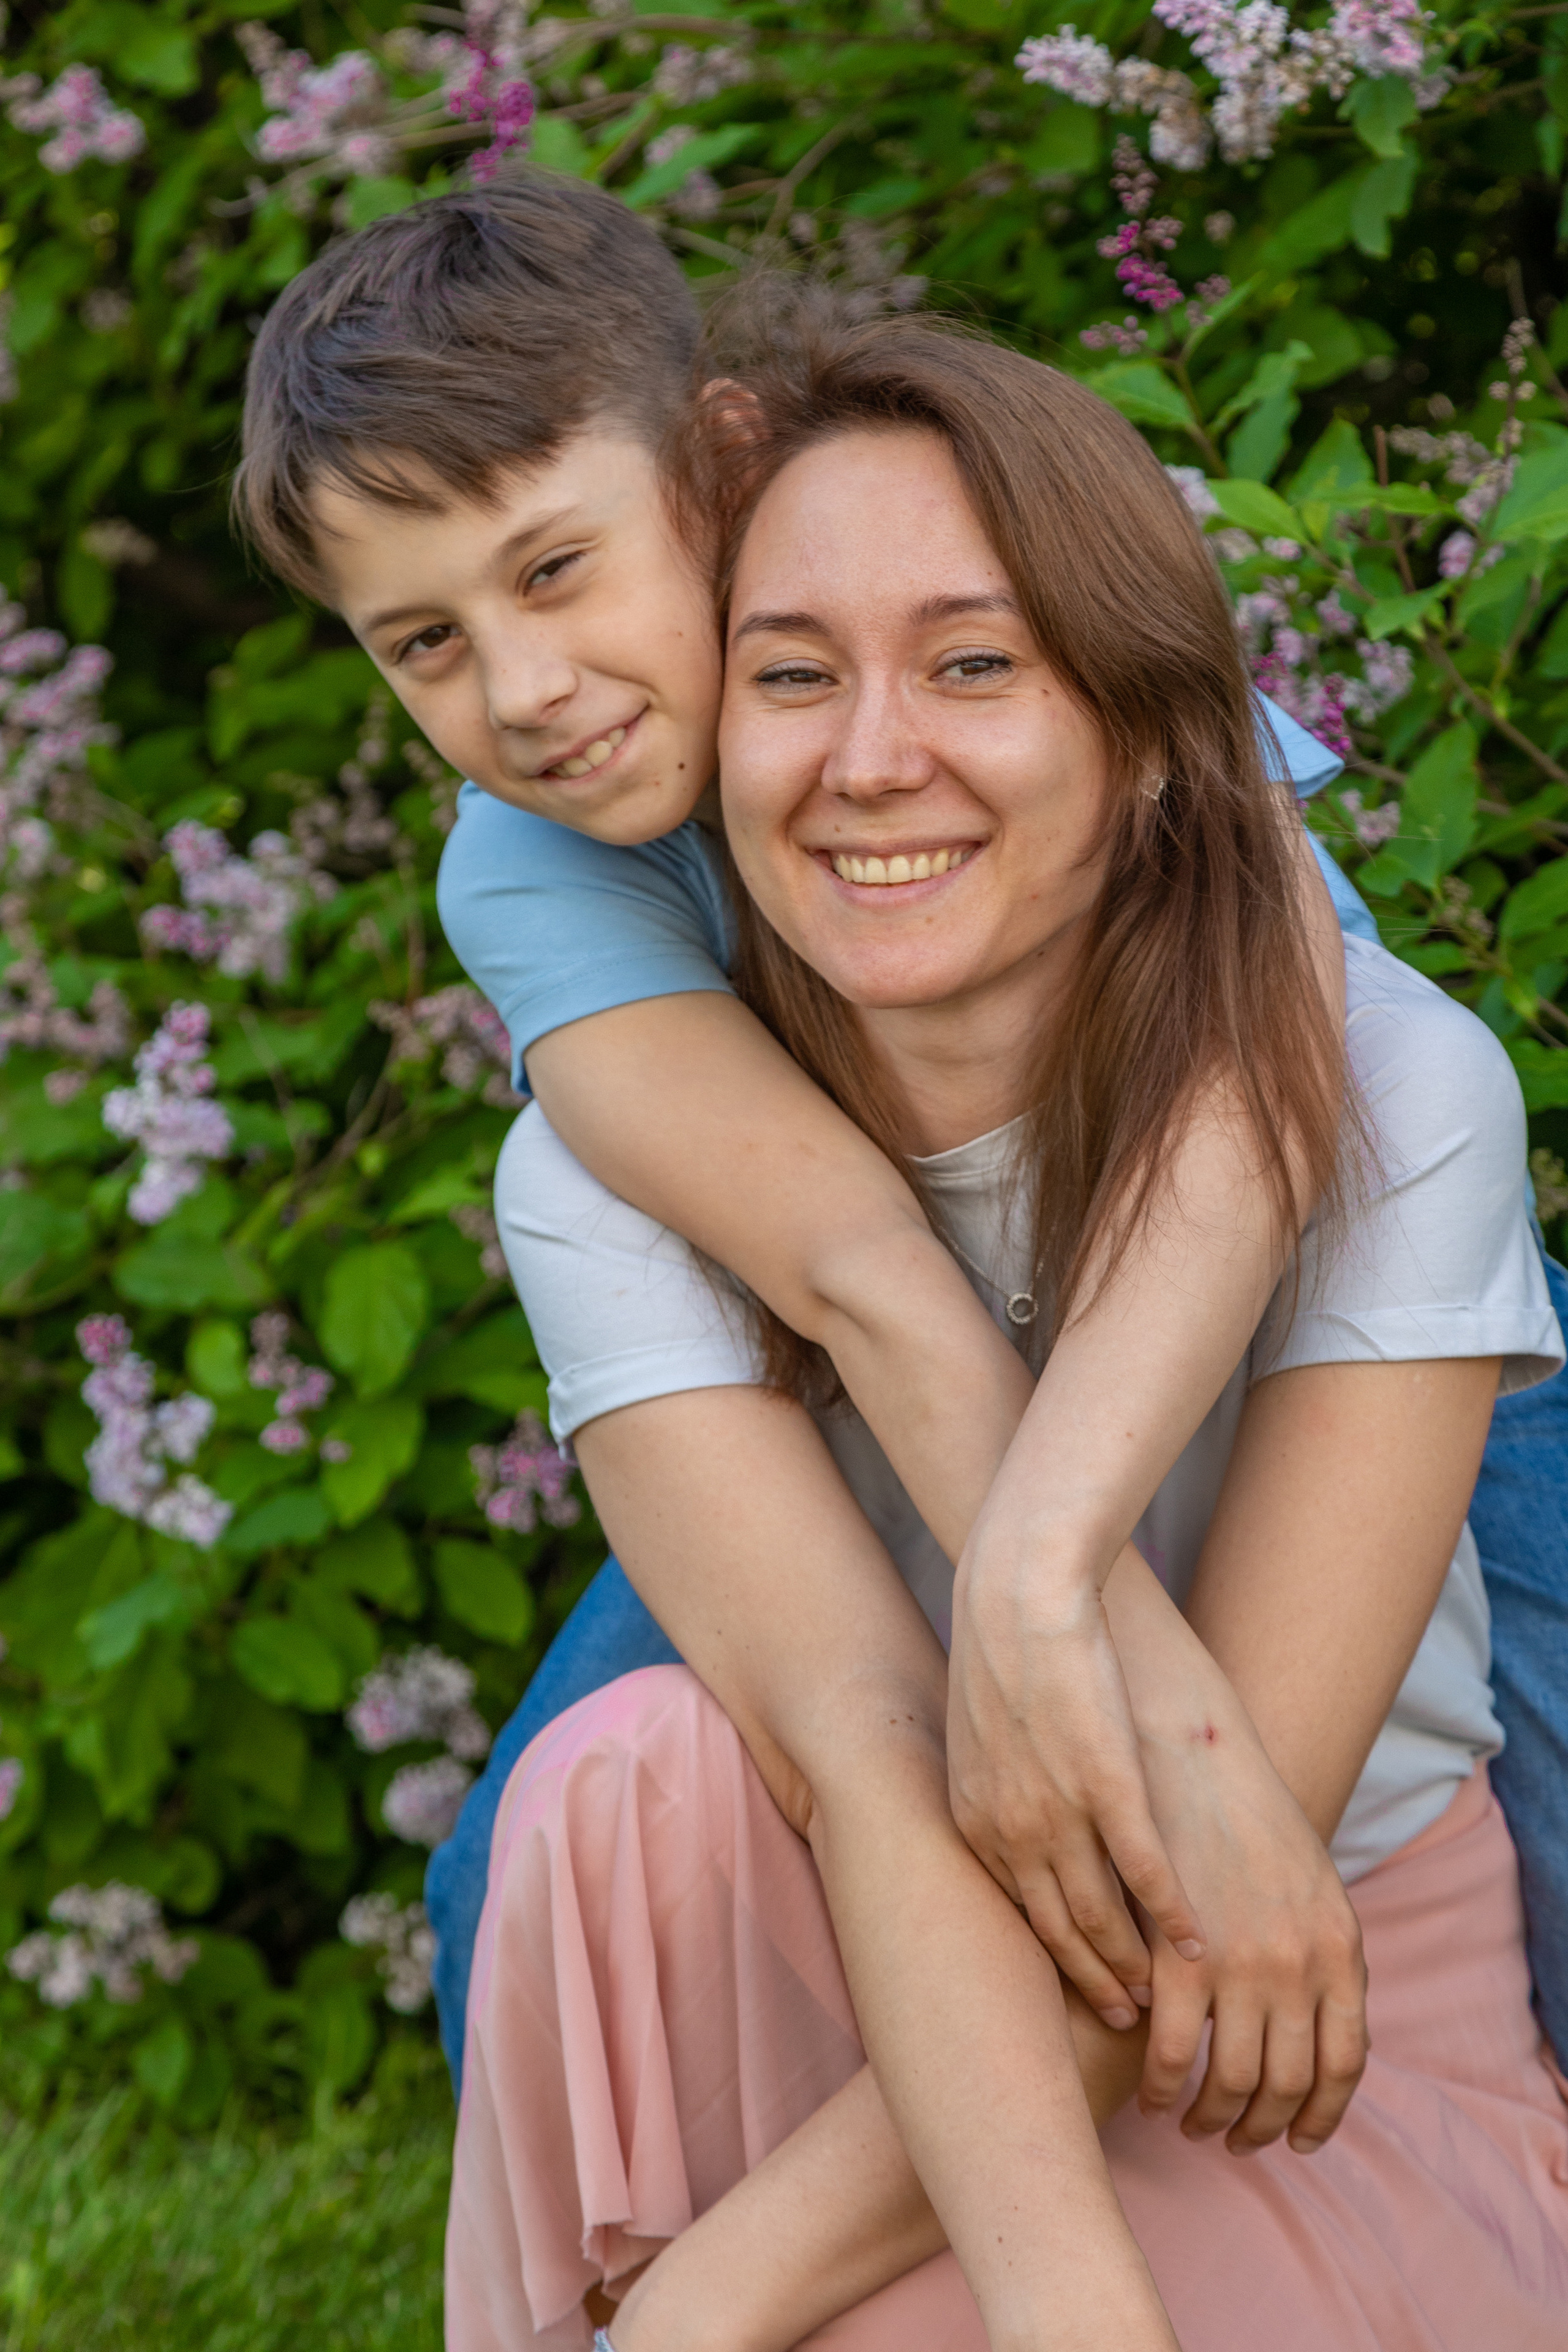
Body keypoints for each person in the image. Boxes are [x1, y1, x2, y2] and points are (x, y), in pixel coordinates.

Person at [234, 180, 1568, 2075]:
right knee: (510, 1868)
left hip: (1303, 1299)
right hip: (884, 1371)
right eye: (418, 641)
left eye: (551, 570)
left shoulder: (979, 594)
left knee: (1535, 1799)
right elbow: (854, 1273)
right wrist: (1066, 1632)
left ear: (710, 462)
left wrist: (1066, 1620)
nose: (520, 695)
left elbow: (1270, 1099)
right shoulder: (530, 872)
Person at [450, 310, 1568, 2350]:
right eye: (795, 676)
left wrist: (703, 2311)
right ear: (720, 691)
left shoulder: (1384, 1077)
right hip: (901, 1925)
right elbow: (867, 1737)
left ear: (1146, 730)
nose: (874, 755)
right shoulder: (592, 1044)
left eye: (978, 664)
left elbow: (1212, 1896)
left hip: (1285, 1982)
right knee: (607, 1783)